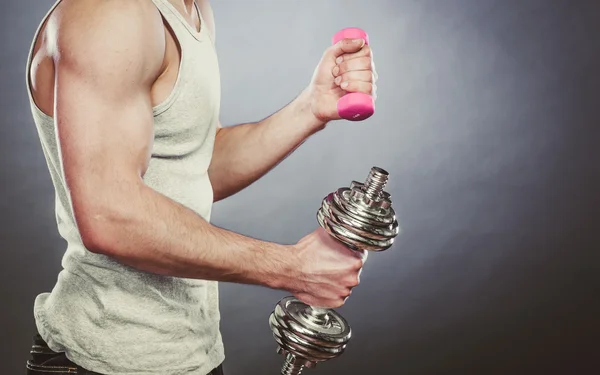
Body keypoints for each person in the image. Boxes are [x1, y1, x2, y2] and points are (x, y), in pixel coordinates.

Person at [24, 0, 377, 374]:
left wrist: (311, 108)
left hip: (189, 354)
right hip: (106, 360)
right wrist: (291, 268)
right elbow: (109, 214)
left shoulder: (190, 9)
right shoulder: (112, 11)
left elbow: (197, 167)